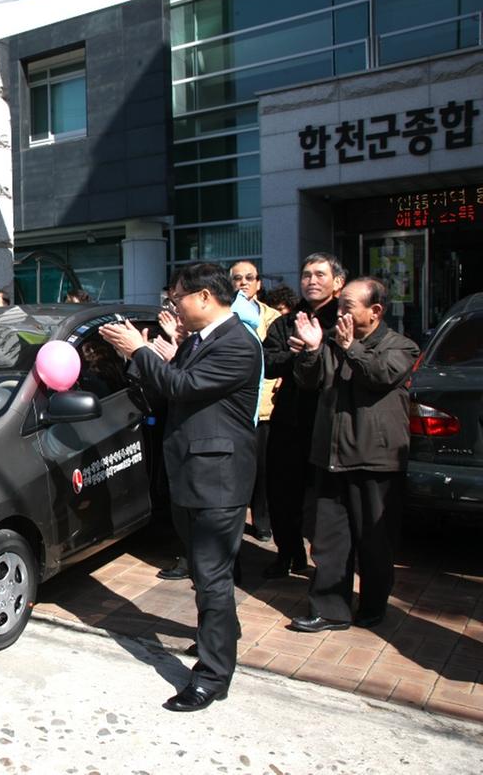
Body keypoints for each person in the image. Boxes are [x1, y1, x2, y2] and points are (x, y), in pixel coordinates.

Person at [100, 262, 261, 712]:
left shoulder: (238, 345)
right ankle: (220, 637)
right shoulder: (202, 341)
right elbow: (169, 386)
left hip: (218, 481)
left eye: (178, 299)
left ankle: (212, 676)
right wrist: (143, 356)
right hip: (191, 474)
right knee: (205, 574)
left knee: (211, 576)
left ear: (205, 298)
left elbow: (183, 386)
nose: (175, 306)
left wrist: (140, 351)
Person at [287, 278, 419, 633]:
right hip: (330, 455)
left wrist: (350, 348)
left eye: (347, 306)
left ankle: (374, 605)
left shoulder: (400, 346)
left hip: (374, 458)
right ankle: (330, 609)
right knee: (328, 539)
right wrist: (312, 351)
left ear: (375, 311)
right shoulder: (331, 342)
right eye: (339, 306)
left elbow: (378, 376)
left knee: (374, 542)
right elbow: (307, 381)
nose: (340, 312)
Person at [261, 253, 346, 579]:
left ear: (337, 282)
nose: (312, 280)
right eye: (306, 274)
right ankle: (288, 554)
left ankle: (328, 568)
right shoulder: (287, 321)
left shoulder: (344, 319)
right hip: (289, 420)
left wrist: (316, 346)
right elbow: (268, 362)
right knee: (282, 492)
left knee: (327, 499)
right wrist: (297, 352)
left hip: (331, 420)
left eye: (320, 274)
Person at [230, 261, 282, 543]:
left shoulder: (272, 318)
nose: (243, 283)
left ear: (259, 283)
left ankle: (262, 521)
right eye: (237, 278)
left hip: (265, 408)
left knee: (264, 471)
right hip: (236, 410)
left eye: (249, 278)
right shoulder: (225, 316)